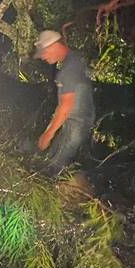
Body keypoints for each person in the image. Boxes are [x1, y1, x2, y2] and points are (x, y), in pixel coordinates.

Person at [33, 30, 96, 174]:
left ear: (54, 46)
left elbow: (66, 106)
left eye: (44, 52)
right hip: (77, 121)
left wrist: (47, 135)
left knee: (55, 165)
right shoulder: (74, 59)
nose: (43, 57)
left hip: (75, 123)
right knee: (52, 157)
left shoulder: (68, 71)